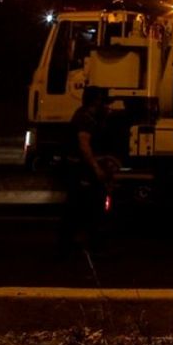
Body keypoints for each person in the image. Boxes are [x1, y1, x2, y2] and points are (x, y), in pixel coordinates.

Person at [57, 86, 115, 257]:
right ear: (95, 101)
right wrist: (96, 168)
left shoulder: (85, 115)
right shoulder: (86, 118)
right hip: (80, 169)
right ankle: (87, 244)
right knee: (87, 205)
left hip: (79, 168)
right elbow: (84, 145)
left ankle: (70, 243)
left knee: (80, 206)